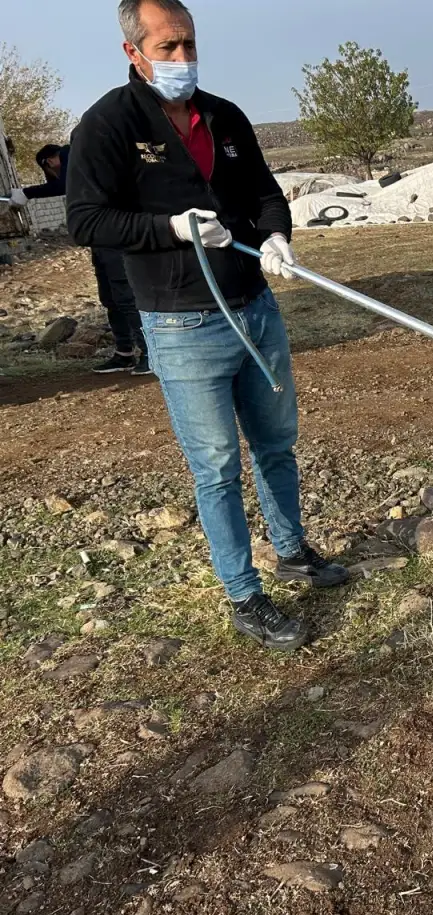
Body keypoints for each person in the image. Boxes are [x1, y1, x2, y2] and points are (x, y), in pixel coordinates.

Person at [67, 0, 349, 652]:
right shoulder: (108, 125)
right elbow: (86, 219)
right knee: (218, 467)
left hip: (255, 308)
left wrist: (277, 235)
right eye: (168, 47)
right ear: (133, 51)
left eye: (189, 43)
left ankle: (291, 550)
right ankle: (245, 595)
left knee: (277, 442)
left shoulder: (224, 117)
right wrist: (167, 229)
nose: (183, 59)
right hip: (182, 326)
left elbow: (263, 193)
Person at [9, 142, 151, 375]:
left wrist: (27, 192)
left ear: (49, 161)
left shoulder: (71, 153)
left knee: (124, 296)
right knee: (111, 298)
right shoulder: (81, 159)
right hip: (99, 239)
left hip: (113, 235)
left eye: (49, 170)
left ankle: (149, 353)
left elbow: (64, 184)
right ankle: (124, 353)